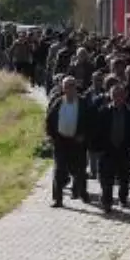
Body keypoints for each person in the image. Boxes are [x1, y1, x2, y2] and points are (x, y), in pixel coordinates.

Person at [45, 76, 92, 207]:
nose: (69, 88)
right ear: (63, 88)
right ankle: (58, 199)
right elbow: (49, 119)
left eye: (72, 85)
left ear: (75, 87)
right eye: (66, 86)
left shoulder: (83, 103)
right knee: (59, 170)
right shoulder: (58, 102)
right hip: (61, 142)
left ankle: (82, 192)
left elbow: (91, 122)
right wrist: (50, 135)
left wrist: (84, 136)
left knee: (79, 170)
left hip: (78, 142)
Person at [92, 82, 130, 213]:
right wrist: (97, 147)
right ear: (111, 96)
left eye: (120, 95)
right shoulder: (103, 111)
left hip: (124, 150)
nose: (118, 98)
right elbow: (97, 131)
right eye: (115, 95)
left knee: (124, 178)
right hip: (108, 151)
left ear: (124, 96)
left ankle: (123, 198)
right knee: (107, 179)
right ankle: (107, 202)